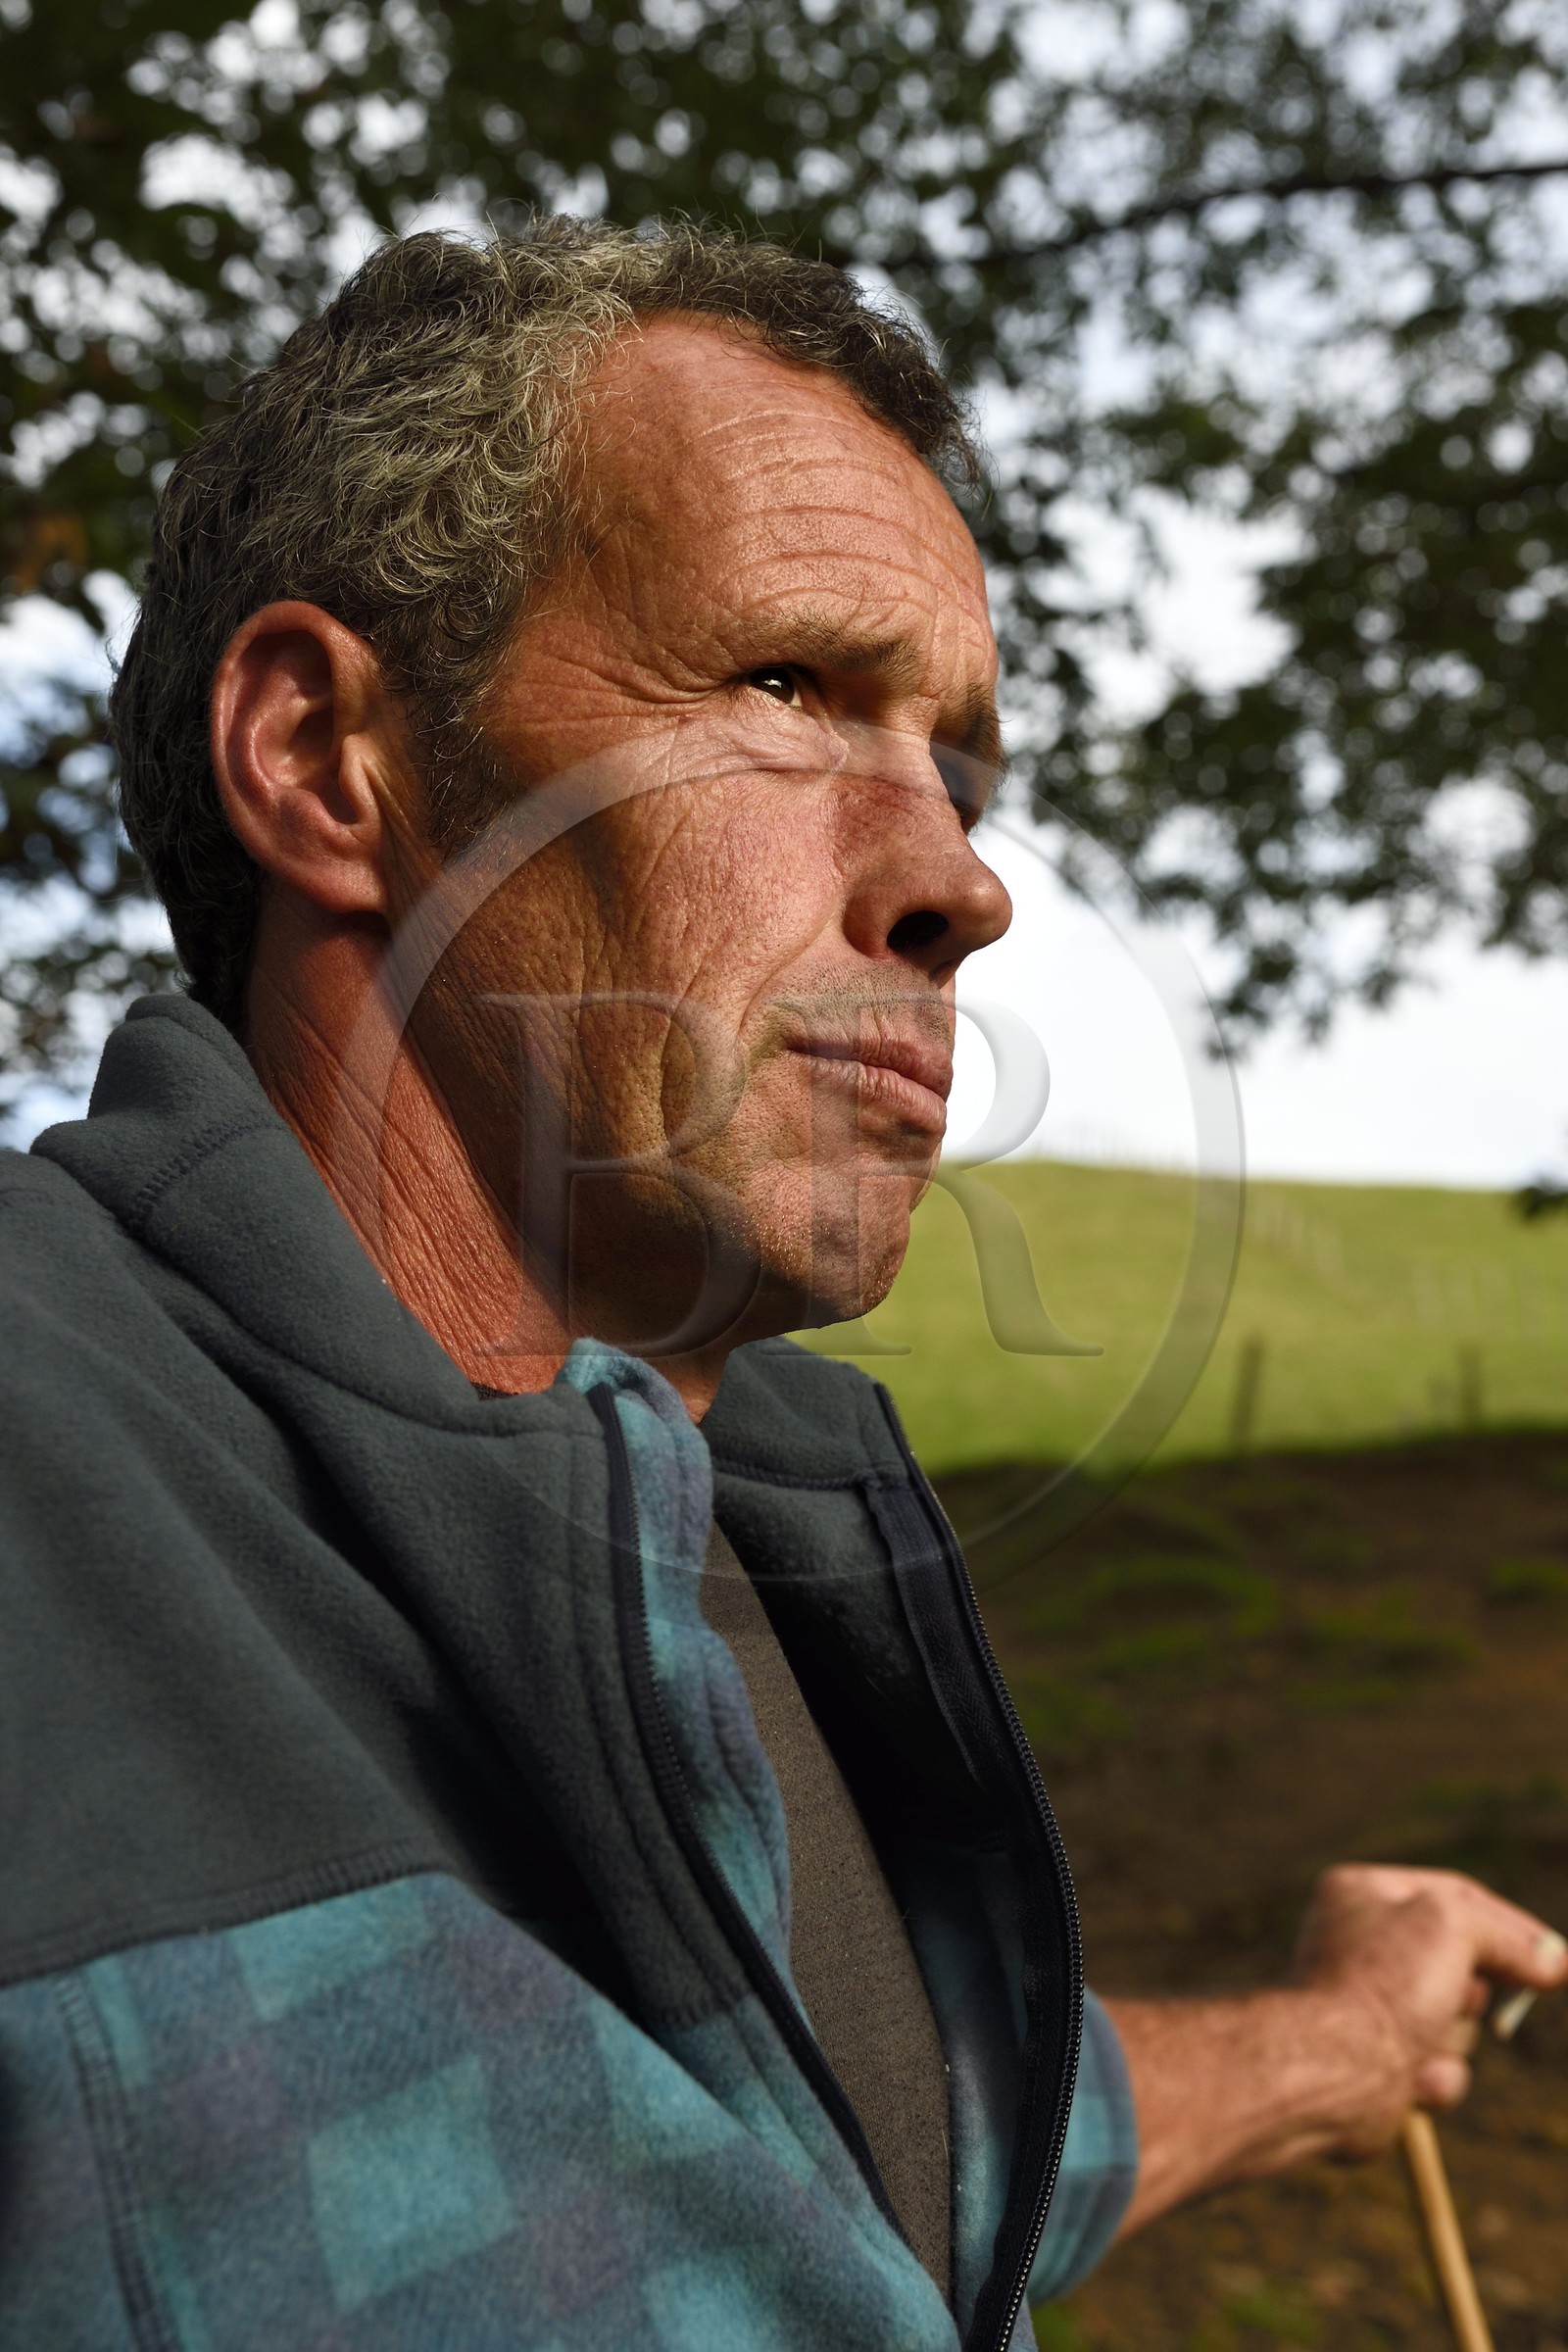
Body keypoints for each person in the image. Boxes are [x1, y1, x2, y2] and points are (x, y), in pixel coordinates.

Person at [1, 220, 1560, 2352]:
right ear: (325, 759)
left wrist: (1336, 2039)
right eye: (784, 689)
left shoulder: (741, 1559)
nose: (962, 884)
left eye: (960, 775)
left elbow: (901, 2159)